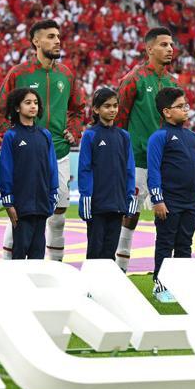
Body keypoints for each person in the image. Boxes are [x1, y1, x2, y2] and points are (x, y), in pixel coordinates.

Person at [0, 19, 84, 262]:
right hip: (25, 156)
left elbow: (78, 109)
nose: (57, 41)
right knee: (19, 215)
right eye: (51, 36)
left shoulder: (66, 74)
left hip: (59, 152)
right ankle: (8, 269)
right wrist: (12, 135)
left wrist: (73, 129)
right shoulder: (19, 73)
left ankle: (53, 271)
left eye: (58, 36)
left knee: (58, 214)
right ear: (36, 41)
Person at [114, 28, 179, 271]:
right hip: (138, 160)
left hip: (166, 162)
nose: (169, 48)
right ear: (149, 48)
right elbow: (119, 120)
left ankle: (163, 274)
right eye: (163, 44)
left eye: (171, 44)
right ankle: (120, 269)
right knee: (130, 215)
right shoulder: (134, 79)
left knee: (167, 215)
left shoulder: (173, 83)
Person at [147, 87, 195, 302]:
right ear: (167, 112)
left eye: (186, 105)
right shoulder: (159, 138)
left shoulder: (193, 138)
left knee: (185, 244)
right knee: (166, 243)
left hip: (191, 201)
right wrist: (157, 199)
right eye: (180, 106)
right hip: (169, 202)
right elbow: (154, 170)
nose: (186, 110)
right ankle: (160, 285)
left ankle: (181, 284)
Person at [0, 87, 57, 260]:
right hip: (22, 206)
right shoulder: (11, 136)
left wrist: (52, 195)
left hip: (42, 204)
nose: (33, 106)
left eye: (36, 103)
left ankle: (35, 286)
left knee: (38, 253)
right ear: (17, 108)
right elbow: (6, 170)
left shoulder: (45, 135)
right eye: (28, 102)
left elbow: (52, 167)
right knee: (20, 250)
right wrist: (8, 202)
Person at [78, 87, 136, 261]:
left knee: (110, 253)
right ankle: (90, 287)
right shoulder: (90, 135)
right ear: (96, 109)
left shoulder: (124, 136)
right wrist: (86, 196)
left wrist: (130, 194)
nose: (112, 110)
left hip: (117, 203)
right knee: (95, 251)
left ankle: (105, 287)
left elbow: (129, 168)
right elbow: (85, 169)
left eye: (115, 105)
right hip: (97, 204)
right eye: (107, 106)